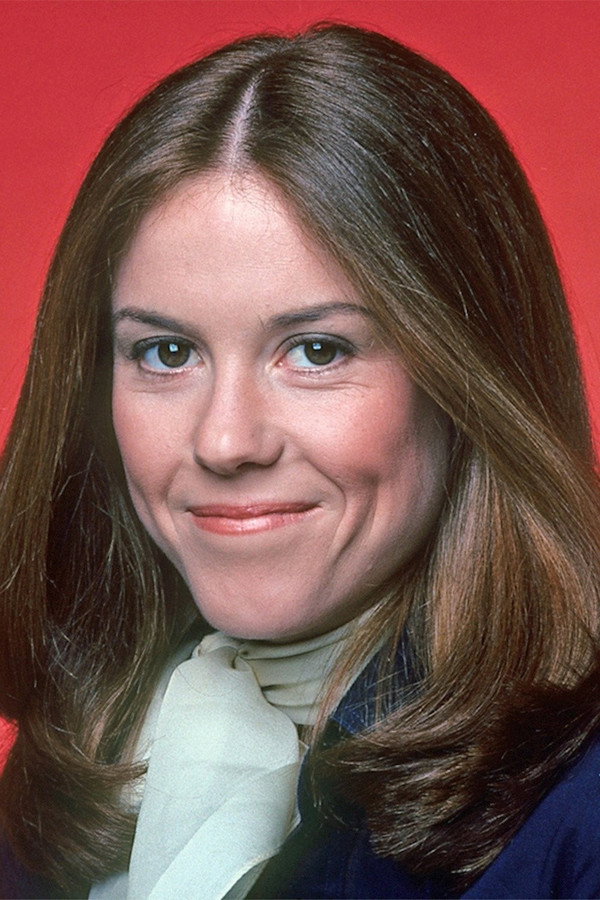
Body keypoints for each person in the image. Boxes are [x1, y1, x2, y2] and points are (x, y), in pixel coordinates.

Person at [1, 22, 600, 900]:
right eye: (168, 353)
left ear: (468, 380)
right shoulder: (75, 776)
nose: (225, 441)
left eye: (317, 351)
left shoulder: (582, 813)